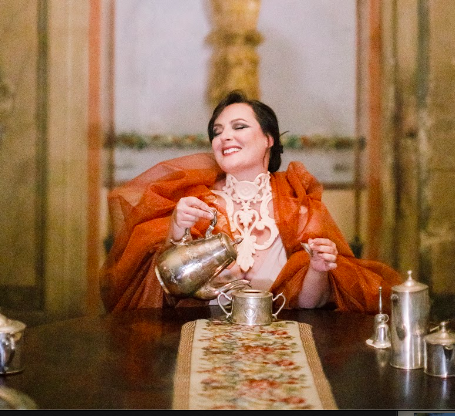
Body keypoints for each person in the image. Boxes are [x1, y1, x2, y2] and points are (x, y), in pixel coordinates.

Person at [100, 90, 402, 313]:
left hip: (279, 344)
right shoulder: (194, 203)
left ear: (269, 138)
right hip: (206, 341)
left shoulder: (298, 204)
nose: (224, 137)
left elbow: (309, 304)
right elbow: (166, 290)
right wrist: (176, 232)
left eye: (239, 127)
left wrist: (318, 269)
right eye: (217, 132)